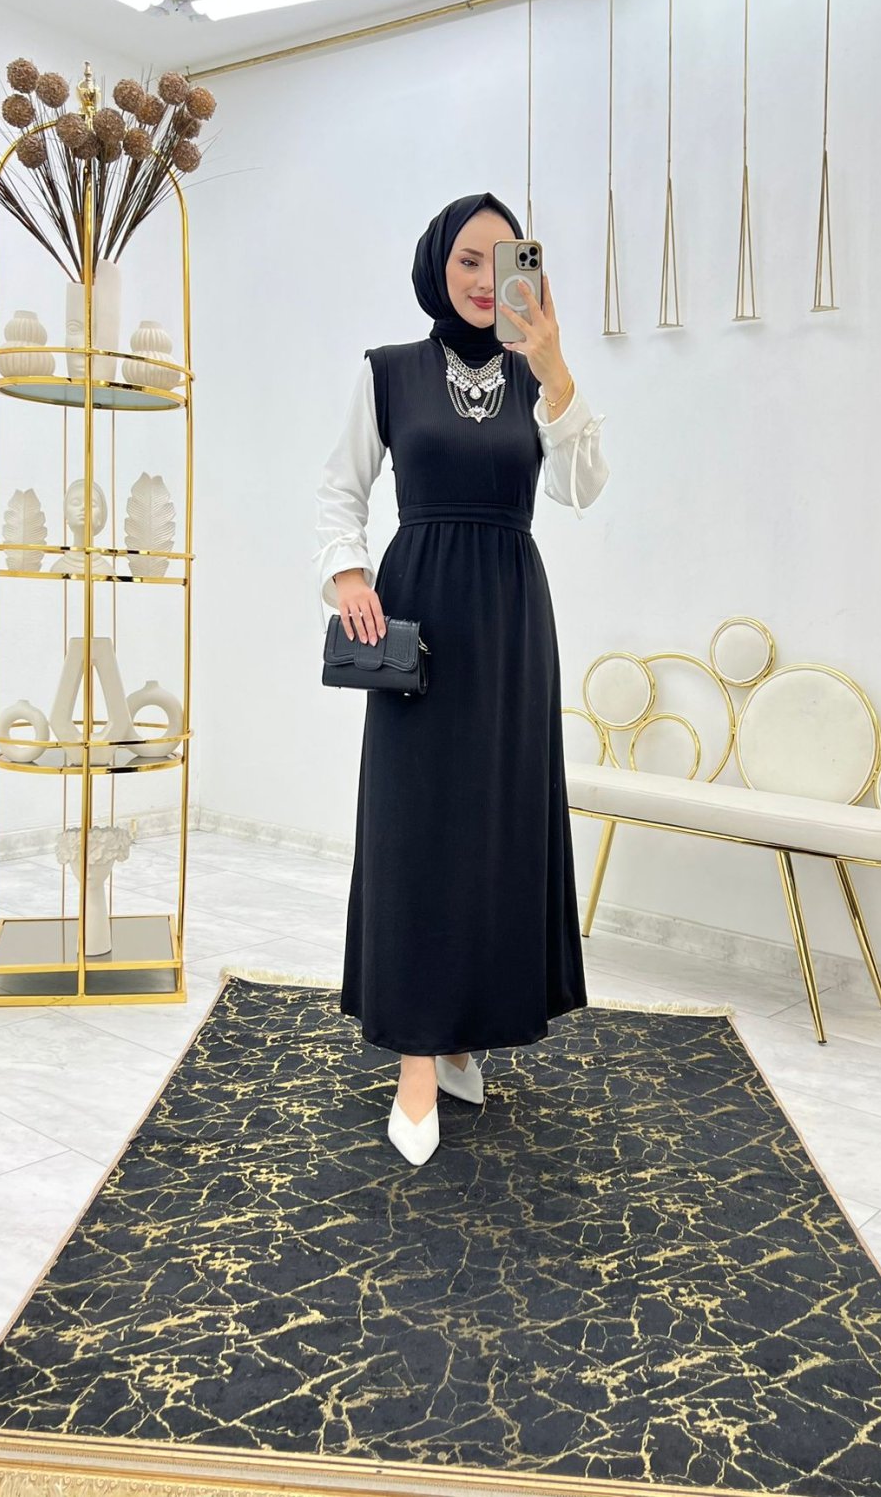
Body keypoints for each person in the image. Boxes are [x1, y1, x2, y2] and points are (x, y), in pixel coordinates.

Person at [312, 190, 610, 1166]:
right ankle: (415, 1057)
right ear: (437, 266)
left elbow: (580, 487)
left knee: (495, 828)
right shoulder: (388, 371)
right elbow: (340, 487)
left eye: (505, 259)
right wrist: (347, 572)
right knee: (416, 831)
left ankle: (465, 1035)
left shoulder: (535, 376)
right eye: (467, 260)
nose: (486, 279)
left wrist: (554, 361)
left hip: (512, 620)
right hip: (420, 616)